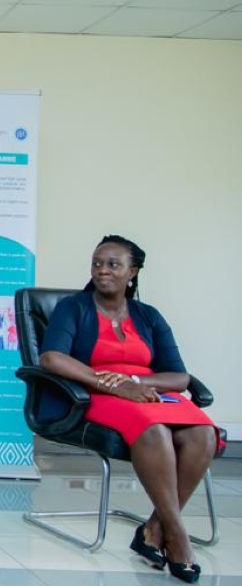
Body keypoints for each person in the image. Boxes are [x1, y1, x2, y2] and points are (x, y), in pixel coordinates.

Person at [39, 235, 222, 583]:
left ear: (132, 271)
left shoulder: (148, 316)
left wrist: (140, 386)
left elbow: (179, 376)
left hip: (148, 393)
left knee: (202, 434)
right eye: (96, 263)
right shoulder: (74, 308)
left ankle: (154, 528)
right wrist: (112, 384)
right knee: (153, 431)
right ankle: (178, 537)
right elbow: (52, 357)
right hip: (100, 393)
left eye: (112, 264)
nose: (102, 270)